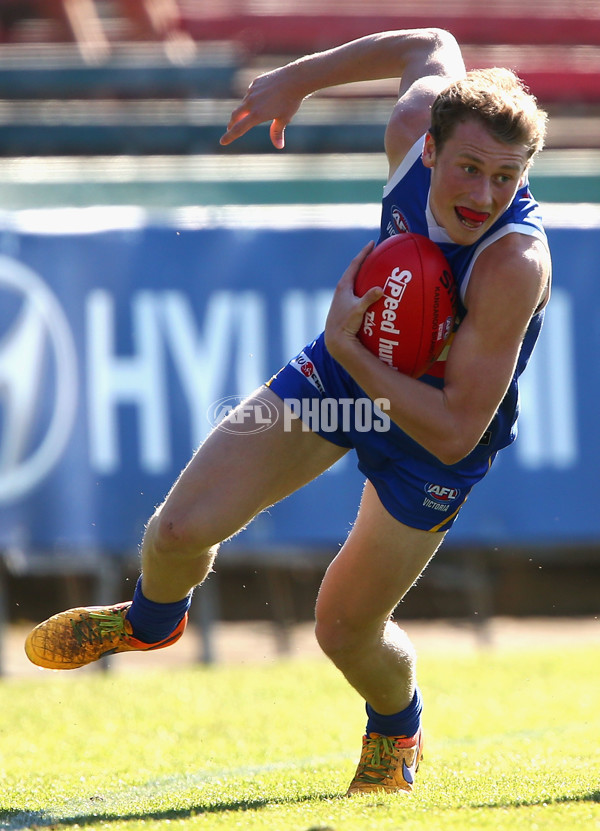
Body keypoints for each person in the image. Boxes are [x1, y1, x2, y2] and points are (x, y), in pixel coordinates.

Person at [24, 28, 551, 796]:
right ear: (430, 150)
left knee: (342, 628)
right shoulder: (414, 125)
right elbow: (430, 44)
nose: (483, 196)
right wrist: (297, 79)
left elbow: (454, 426)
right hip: (352, 366)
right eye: (469, 168)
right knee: (174, 532)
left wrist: (353, 350)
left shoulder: (512, 263)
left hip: (433, 433)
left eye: (506, 178)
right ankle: (149, 620)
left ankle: (395, 725)